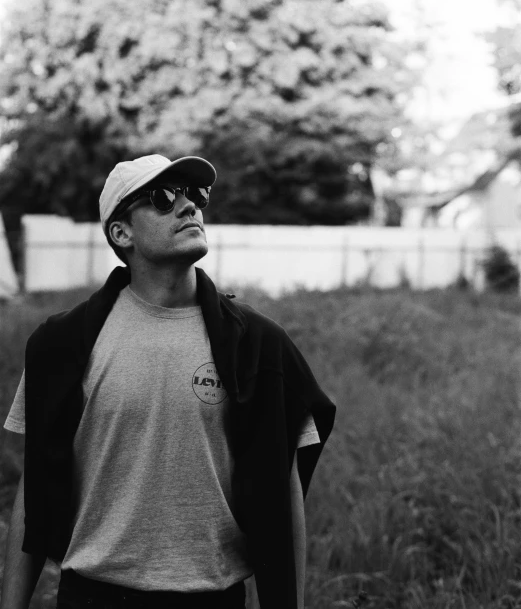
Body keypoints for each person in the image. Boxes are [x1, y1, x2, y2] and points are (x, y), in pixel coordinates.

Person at [1, 154, 336, 609]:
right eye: (163, 198)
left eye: (195, 195)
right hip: (92, 594)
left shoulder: (259, 345)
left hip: (214, 597)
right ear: (122, 233)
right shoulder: (61, 344)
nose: (189, 207)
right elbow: (33, 489)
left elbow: (285, 490)